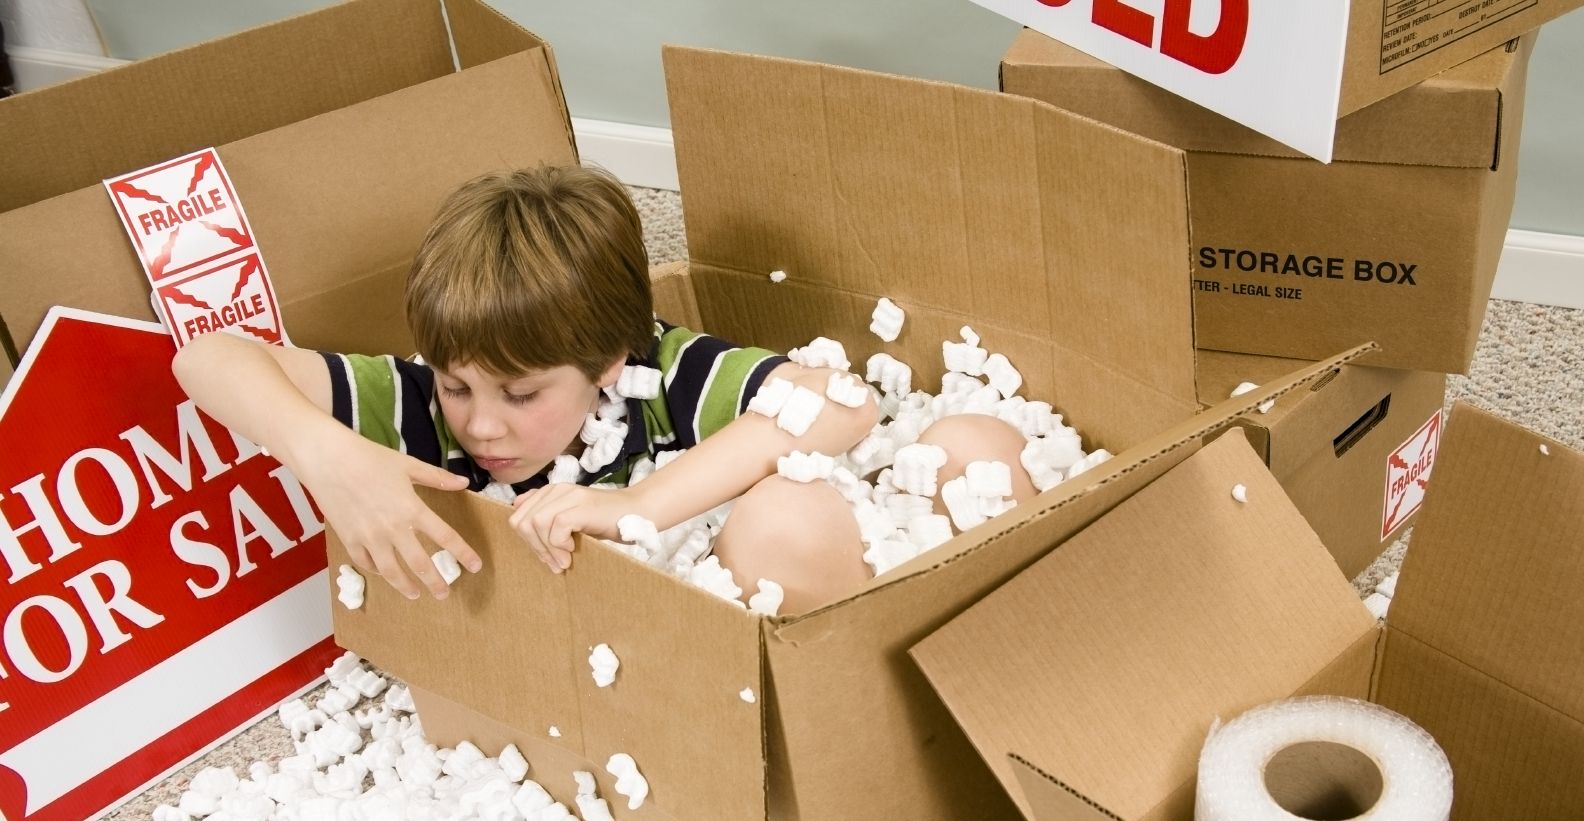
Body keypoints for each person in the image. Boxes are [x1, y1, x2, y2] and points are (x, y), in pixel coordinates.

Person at [173, 164, 1032, 613]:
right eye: (458, 381)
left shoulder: (656, 379)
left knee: (976, 447)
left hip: (835, 583)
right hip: (694, 674)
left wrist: (639, 506)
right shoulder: (423, 414)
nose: (480, 423)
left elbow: (847, 400)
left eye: (519, 393)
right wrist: (330, 455)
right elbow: (204, 360)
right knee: (785, 521)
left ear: (609, 363)